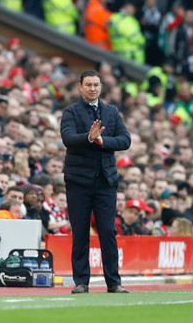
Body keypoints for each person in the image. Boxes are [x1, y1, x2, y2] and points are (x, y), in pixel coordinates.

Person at [60, 69, 131, 294]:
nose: (92, 88)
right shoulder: (70, 112)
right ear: (80, 87)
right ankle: (81, 282)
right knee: (80, 231)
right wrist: (88, 138)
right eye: (88, 84)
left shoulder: (111, 112)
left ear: (101, 87)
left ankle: (114, 282)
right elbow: (68, 138)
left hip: (105, 182)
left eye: (96, 85)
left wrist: (102, 140)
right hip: (78, 182)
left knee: (108, 231)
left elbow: (125, 140)